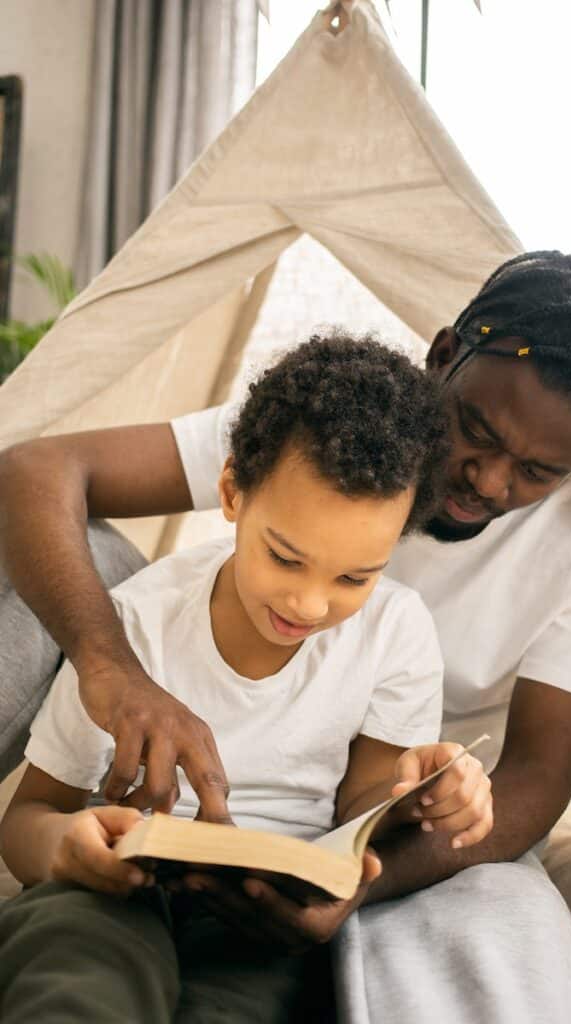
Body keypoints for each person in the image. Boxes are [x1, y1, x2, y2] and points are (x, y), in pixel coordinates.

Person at [0, 251, 571, 1023]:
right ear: (442, 356)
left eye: (537, 472)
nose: (487, 480)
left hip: (408, 832)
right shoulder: (322, 431)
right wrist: (107, 664)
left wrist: (358, 873)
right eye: (473, 431)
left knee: (492, 922)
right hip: (158, 756)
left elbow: (532, 785)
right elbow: (36, 471)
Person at [0, 334, 493, 1023]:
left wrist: (420, 794)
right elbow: (27, 817)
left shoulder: (395, 632)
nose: (309, 604)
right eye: (285, 558)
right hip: (109, 893)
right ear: (232, 493)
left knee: (252, 1001)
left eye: (354, 576)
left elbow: (364, 808)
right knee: (78, 980)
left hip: (261, 917)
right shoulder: (137, 622)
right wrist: (63, 852)